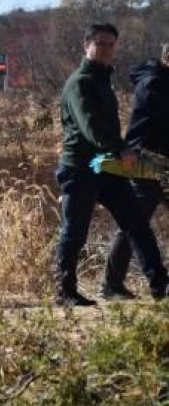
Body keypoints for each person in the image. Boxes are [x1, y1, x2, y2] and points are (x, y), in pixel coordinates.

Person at [54, 25, 166, 306]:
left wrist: (116, 152)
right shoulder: (80, 82)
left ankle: (160, 285)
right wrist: (121, 149)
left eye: (110, 44)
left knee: (137, 225)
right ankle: (65, 291)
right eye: (99, 43)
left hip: (107, 167)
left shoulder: (103, 80)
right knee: (74, 231)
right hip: (81, 168)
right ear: (86, 45)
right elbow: (91, 127)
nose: (105, 48)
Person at [106, 43, 169, 298]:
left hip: (159, 161)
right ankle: (113, 284)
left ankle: (113, 283)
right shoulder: (153, 82)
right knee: (135, 221)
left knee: (135, 221)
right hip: (145, 161)